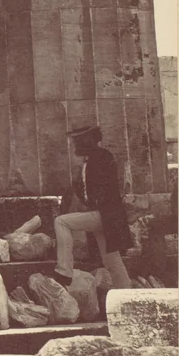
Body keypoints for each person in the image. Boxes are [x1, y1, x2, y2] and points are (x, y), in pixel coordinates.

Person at [53, 124, 132, 290]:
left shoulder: (99, 158)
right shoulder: (95, 158)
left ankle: (64, 271)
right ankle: (127, 293)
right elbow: (90, 193)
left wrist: (89, 201)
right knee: (112, 261)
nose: (75, 145)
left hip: (104, 214)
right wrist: (78, 184)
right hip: (108, 216)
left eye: (77, 141)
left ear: (87, 141)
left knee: (61, 222)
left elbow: (103, 190)